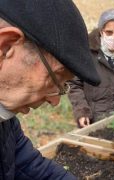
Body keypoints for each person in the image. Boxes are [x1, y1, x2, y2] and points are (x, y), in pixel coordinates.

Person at [0, 0, 101, 179]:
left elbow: (28, 165)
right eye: (55, 78)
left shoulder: (6, 123)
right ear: (5, 47)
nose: (55, 101)